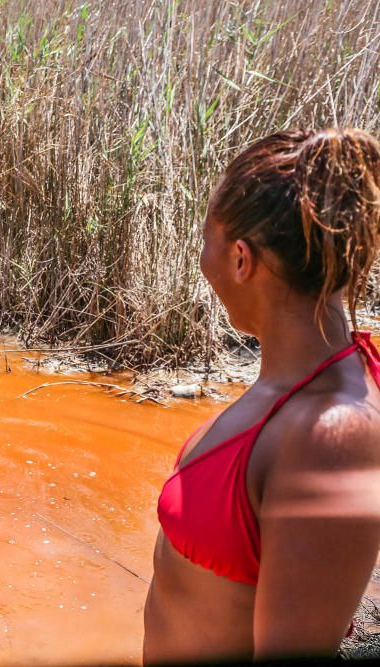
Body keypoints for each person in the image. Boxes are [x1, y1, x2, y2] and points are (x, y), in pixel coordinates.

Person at [145, 128, 380, 663]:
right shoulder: (305, 387)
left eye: (205, 237)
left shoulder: (329, 434)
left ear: (240, 259)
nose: (201, 258)